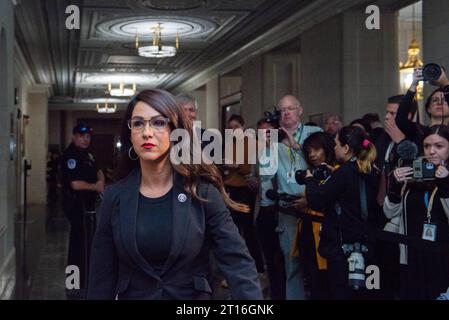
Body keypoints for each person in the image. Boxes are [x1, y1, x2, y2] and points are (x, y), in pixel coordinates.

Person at [87, 89, 262, 300]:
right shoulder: (115, 197)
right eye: (138, 123)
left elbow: (238, 263)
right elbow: (101, 275)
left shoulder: (202, 193)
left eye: (159, 123)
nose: (147, 132)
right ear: (130, 133)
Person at [304, 126, 379, 299]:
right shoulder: (371, 170)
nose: (334, 148)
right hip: (368, 247)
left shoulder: (344, 172)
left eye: (336, 144)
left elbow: (316, 200)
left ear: (346, 148)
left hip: (343, 251)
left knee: (342, 293)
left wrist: (310, 180)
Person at [384, 125, 449, 300]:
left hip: (442, 258)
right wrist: (396, 187)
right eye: (427, 146)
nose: (432, 151)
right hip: (412, 255)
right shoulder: (416, 173)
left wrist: (445, 184)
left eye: (439, 146)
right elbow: (390, 213)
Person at [269, 94, 322, 300]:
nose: (286, 113)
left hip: (315, 206)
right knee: (292, 267)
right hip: (288, 208)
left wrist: (295, 147)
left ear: (300, 110)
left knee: (318, 265)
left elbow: (322, 164)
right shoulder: (273, 138)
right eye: (282, 110)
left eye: (290, 108)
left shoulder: (314, 133)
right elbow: (265, 173)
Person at [61, 124, 105, 297]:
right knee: (78, 245)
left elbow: (99, 170)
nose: (86, 139)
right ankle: (74, 283)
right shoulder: (70, 156)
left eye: (88, 136)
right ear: (74, 136)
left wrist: (100, 182)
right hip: (76, 205)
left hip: (89, 207)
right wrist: (96, 186)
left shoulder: (88, 154)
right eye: (81, 135)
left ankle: (86, 279)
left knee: (88, 242)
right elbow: (75, 184)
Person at [222, 114, 265, 275]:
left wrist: (234, 165)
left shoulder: (251, 143)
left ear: (243, 126)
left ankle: (257, 269)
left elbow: (249, 168)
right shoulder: (229, 143)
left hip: (245, 190)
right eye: (230, 128)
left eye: (236, 127)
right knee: (232, 231)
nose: (233, 130)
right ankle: (237, 269)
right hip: (231, 189)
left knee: (248, 230)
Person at [295, 132, 335, 299]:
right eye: (309, 151)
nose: (312, 155)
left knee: (324, 284)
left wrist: (309, 201)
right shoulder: (312, 172)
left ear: (327, 148)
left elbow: (324, 201)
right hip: (307, 231)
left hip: (325, 235)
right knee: (311, 281)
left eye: (316, 149)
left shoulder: (336, 171)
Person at [254, 118, 286, 300]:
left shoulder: (283, 150)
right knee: (269, 260)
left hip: (281, 212)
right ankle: (274, 294)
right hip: (263, 210)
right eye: (261, 132)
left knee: (282, 259)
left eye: (268, 131)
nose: (264, 135)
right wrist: (255, 182)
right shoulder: (257, 153)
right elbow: (257, 178)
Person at [396, 66, 449, 150]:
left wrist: (445, 83)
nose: (440, 103)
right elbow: (400, 119)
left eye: (445, 100)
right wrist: (414, 85)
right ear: (428, 108)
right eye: (435, 100)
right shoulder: (419, 131)